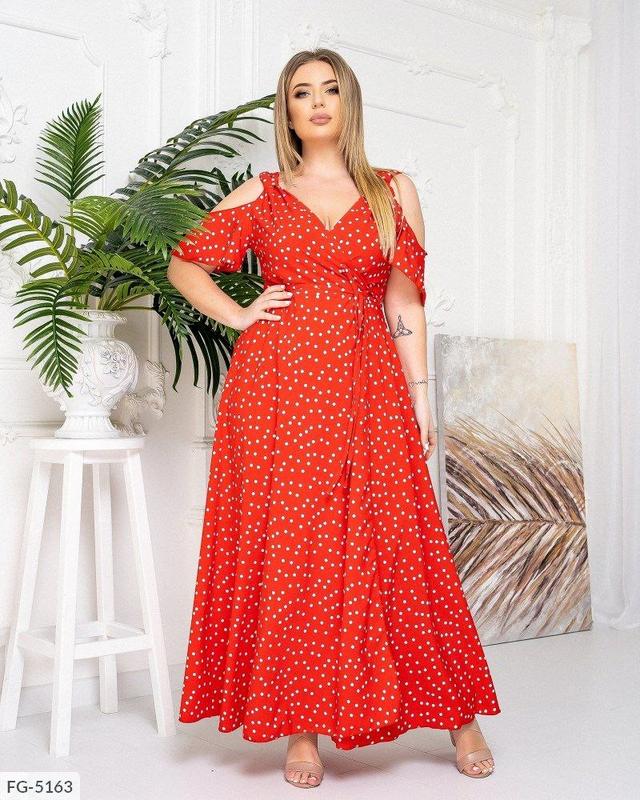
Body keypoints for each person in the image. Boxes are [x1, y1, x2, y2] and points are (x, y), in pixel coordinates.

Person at [167, 48, 500, 789]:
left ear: (349, 102)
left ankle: (462, 717)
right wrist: (239, 315)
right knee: (295, 550)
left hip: (367, 381)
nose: (316, 102)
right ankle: (301, 730)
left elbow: (404, 301)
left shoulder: (391, 190)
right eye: (300, 93)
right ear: (286, 112)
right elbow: (184, 264)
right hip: (278, 391)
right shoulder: (262, 194)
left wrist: (421, 397)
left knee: (403, 543)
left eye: (329, 90)